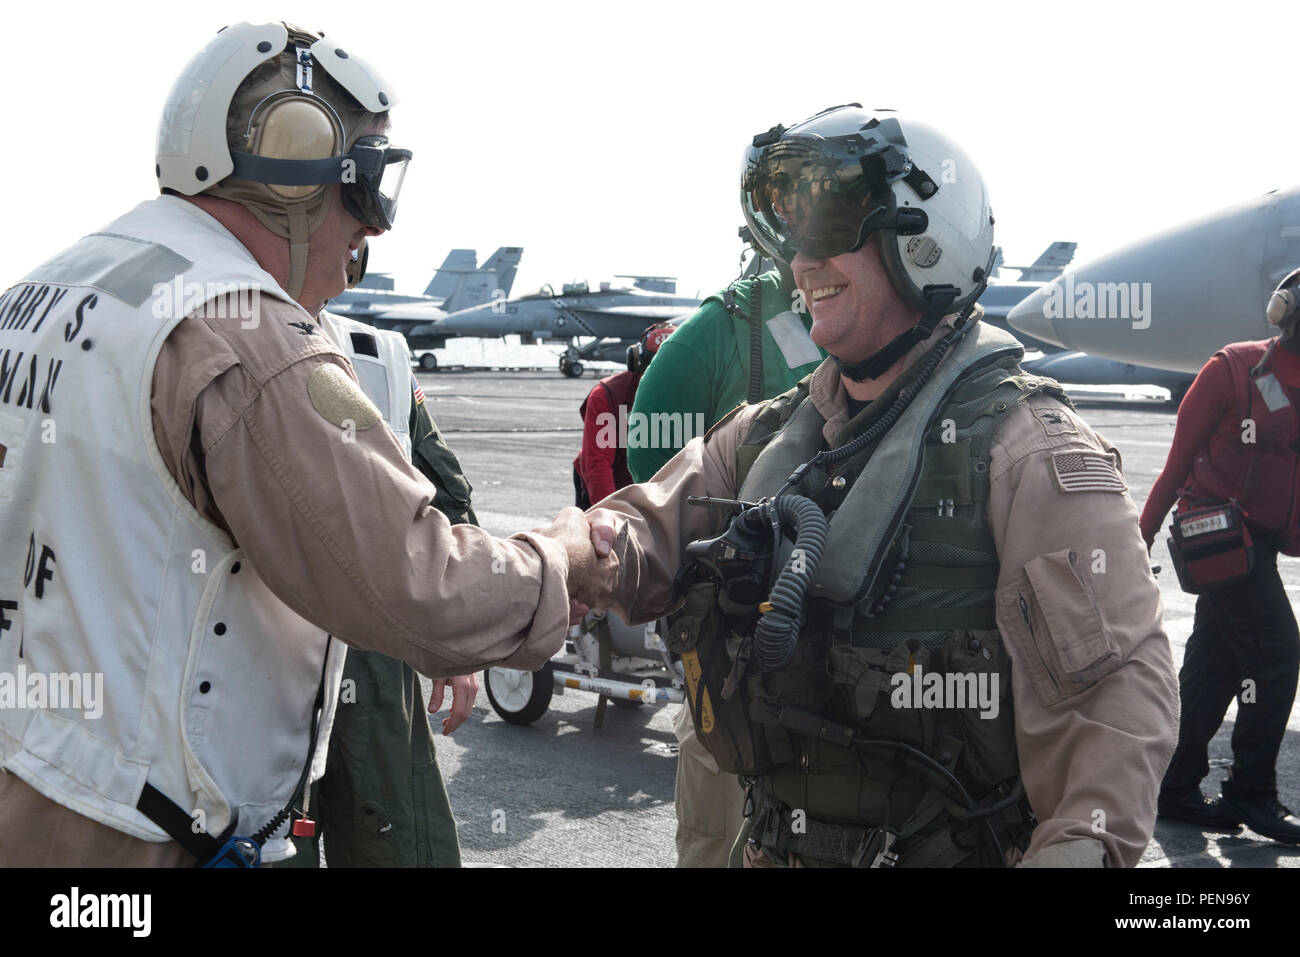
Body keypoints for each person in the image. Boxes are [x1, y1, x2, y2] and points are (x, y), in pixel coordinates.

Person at [0, 21, 614, 867]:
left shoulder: (46, 291)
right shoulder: (245, 334)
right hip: (134, 834)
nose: (377, 230)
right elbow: (418, 589)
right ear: (294, 173)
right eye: (365, 188)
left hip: (30, 779)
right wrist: (563, 554)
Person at [576, 105, 1178, 867]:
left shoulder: (1027, 451)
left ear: (923, 242)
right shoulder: (768, 437)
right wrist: (552, 561)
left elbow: (1114, 707)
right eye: (792, 238)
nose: (801, 263)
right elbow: (636, 526)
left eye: (830, 232)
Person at [627, 236, 825, 868]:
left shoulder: (870, 323)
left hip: (840, 647)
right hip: (736, 644)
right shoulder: (718, 333)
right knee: (720, 828)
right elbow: (655, 471)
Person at [283, 242, 478, 868]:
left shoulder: (380, 357)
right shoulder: (204, 343)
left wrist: (458, 641)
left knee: (397, 846)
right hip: (249, 657)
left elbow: (445, 493)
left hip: (371, 658)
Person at [1140, 267, 1300, 845]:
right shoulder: (1232, 368)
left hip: (1257, 547)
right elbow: (1177, 462)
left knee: (1216, 665)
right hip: (1216, 535)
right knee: (1279, 652)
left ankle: (1172, 785)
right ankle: (1252, 793)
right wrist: (1141, 537)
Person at [573, 321, 676, 507]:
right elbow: (597, 464)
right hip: (615, 483)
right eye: (655, 369)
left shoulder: (696, 392)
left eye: (670, 370)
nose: (663, 380)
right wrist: (610, 515)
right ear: (637, 363)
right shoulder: (607, 395)